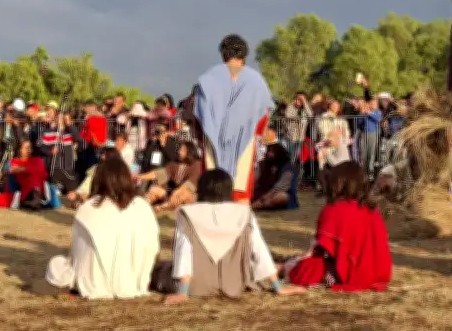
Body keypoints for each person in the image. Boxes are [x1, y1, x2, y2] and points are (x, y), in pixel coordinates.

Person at [160, 169, 304, 304]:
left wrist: (183, 292)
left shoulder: (186, 213)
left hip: (196, 286)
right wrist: (278, 287)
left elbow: (183, 250)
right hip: (235, 282)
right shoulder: (244, 212)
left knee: (160, 268)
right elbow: (259, 250)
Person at [42, 158, 160, 299]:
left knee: (56, 264)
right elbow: (153, 249)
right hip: (135, 280)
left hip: (92, 281)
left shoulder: (88, 208)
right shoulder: (142, 206)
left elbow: (77, 256)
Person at [286, 161, 392, 291]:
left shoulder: (334, 209)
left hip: (350, 275)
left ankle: (279, 269)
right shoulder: (373, 211)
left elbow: (317, 250)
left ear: (338, 182)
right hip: (379, 274)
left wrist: (299, 261)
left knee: (303, 268)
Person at [194, 35, 272, 202]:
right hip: (243, 141)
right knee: (239, 193)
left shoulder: (208, 79)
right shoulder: (255, 81)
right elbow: (263, 116)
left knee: (212, 192)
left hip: (213, 141)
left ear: (223, 55)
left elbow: (198, 116)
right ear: (244, 56)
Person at [139, 141, 202, 213]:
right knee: (155, 189)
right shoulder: (174, 163)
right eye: (180, 149)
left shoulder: (197, 164)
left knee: (184, 194)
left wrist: (176, 192)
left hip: (187, 195)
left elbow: (190, 184)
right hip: (171, 194)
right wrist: (140, 176)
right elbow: (159, 174)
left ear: (189, 152)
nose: (179, 152)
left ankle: (161, 207)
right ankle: (143, 205)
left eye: (182, 150)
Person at [0, 140, 48, 210]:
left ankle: (34, 200)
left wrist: (23, 169)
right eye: (26, 148)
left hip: (38, 189)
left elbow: (43, 173)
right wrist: (23, 169)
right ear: (20, 150)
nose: (28, 150)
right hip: (23, 189)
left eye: (30, 148)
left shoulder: (37, 160)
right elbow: (8, 171)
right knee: (1, 199)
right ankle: (29, 202)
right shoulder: (14, 161)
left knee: (35, 180)